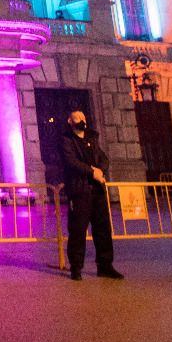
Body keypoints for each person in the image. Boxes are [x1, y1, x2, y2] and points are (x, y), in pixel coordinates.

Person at [60, 109, 124, 281]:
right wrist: (91, 172)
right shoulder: (66, 140)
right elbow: (71, 162)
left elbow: (103, 158)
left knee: (103, 229)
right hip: (79, 191)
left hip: (97, 191)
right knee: (78, 230)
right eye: (76, 118)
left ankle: (105, 265)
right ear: (70, 121)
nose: (80, 120)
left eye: (82, 117)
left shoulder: (92, 138)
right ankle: (76, 267)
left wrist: (100, 170)